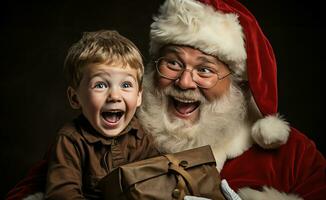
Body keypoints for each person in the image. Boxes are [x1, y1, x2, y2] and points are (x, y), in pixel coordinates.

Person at [6, 0, 326, 200]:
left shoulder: (294, 156)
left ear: (237, 81)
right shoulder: (95, 135)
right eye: (172, 63)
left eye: (205, 70)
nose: (185, 82)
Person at [36, 30, 160, 199]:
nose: (115, 96)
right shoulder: (71, 140)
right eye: (100, 85)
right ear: (75, 98)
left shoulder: (142, 137)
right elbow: (62, 194)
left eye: (126, 84)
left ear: (139, 96)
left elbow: (157, 185)